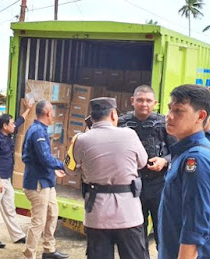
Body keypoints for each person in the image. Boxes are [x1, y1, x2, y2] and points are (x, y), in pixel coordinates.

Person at [67, 97, 148, 259]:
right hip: (128, 215)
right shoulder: (129, 135)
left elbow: (69, 170)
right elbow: (142, 162)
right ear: (113, 114)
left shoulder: (81, 139)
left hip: (97, 215)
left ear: (92, 117)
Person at [118, 85, 176, 252]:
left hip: (159, 185)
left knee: (162, 230)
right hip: (133, 186)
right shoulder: (121, 124)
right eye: (140, 100)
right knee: (137, 232)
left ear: (155, 103)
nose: (144, 104)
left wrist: (164, 161)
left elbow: (177, 151)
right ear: (132, 101)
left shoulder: (163, 123)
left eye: (148, 101)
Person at [158, 84, 210, 259]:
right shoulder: (182, 153)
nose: (169, 116)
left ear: (200, 116)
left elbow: (195, 227)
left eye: (179, 111)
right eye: (169, 109)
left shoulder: (196, 159)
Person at [22, 100, 68, 259]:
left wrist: (54, 170)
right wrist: (62, 165)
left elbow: (38, 158)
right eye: (52, 112)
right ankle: (30, 255)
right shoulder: (37, 132)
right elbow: (44, 158)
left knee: (52, 214)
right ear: (48, 113)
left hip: (46, 182)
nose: (53, 115)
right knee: (38, 221)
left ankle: (49, 250)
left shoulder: (39, 130)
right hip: (37, 184)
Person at [0, 100, 33, 249]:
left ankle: (17, 235)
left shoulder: (7, 134)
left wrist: (28, 109)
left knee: (9, 207)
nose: (14, 126)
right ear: (4, 126)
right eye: (11, 124)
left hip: (6, 178)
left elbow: (19, 121)